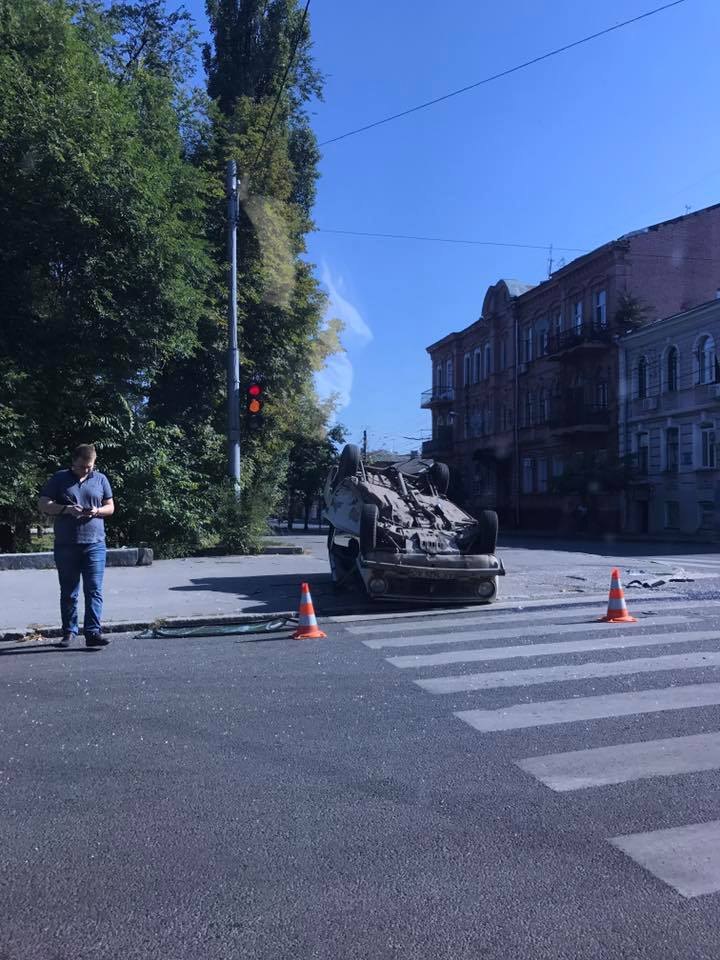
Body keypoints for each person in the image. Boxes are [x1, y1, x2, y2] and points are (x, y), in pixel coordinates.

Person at [38, 444, 115, 649]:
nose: (86, 470)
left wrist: (97, 510)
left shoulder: (100, 479)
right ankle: (69, 632)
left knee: (94, 590)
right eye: (82, 467)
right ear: (74, 461)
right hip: (66, 545)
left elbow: (111, 507)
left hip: (95, 544)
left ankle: (93, 632)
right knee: (69, 591)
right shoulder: (59, 478)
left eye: (90, 466)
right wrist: (66, 509)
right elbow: (43, 504)